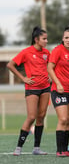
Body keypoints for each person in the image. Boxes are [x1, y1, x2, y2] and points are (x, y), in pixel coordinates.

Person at [7, 26, 50, 156]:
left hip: (46, 88)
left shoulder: (47, 53)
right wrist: (23, 78)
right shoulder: (26, 52)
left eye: (46, 39)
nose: (46, 41)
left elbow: (51, 67)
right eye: (44, 39)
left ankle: (36, 148)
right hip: (32, 88)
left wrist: (50, 77)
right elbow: (10, 65)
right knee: (31, 117)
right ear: (36, 39)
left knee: (41, 117)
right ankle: (19, 147)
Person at [47, 26, 69, 157]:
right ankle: (60, 150)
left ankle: (65, 150)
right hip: (59, 91)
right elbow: (49, 68)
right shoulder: (57, 50)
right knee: (63, 118)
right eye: (66, 37)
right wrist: (58, 83)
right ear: (62, 38)